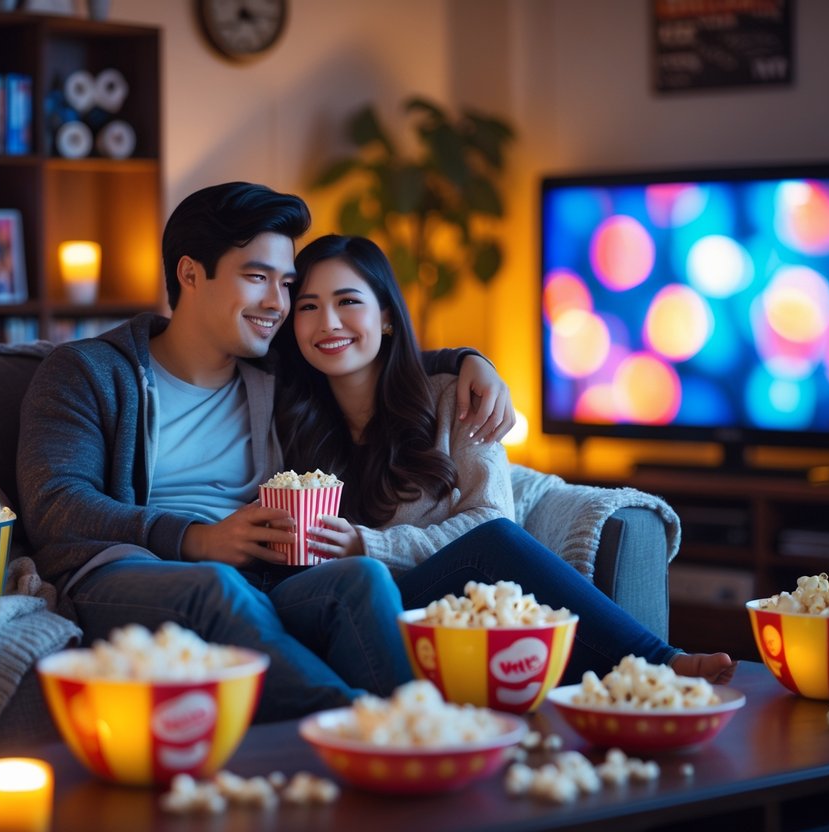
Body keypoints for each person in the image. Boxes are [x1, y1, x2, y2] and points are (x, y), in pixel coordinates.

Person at [17, 182, 515, 722]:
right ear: (189, 274)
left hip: (263, 578)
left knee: (362, 578)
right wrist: (196, 539)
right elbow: (56, 504)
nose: (278, 305)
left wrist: (470, 359)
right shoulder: (87, 372)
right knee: (218, 587)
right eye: (257, 278)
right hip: (129, 573)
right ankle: (386, 732)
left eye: (286, 284)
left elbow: (363, 342)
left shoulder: (274, 370)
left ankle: (405, 744)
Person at [273, 234, 734, 685]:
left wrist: (371, 545)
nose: (328, 322)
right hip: (351, 610)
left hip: (444, 603)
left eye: (348, 302)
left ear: (386, 314)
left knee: (495, 540)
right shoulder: (289, 416)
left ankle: (656, 663)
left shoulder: (458, 397)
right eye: (309, 307)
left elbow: (492, 521)